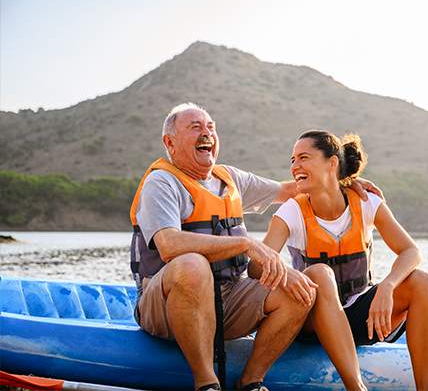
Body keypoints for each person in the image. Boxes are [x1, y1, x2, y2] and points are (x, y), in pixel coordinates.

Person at [129, 103, 381, 391]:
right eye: (195, 127)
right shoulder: (161, 182)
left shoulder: (231, 179)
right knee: (192, 265)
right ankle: (206, 383)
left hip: (227, 298)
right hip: (164, 304)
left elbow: (292, 190)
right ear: (169, 142)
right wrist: (246, 244)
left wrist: (339, 181)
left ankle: (250, 381)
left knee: (298, 290)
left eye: (210, 126)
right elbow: (169, 246)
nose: (206, 132)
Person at [260, 130, 428, 391]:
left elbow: (411, 252)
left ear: (332, 163)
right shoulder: (291, 211)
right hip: (310, 324)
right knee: (319, 273)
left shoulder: (366, 201)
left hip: (361, 319)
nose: (294, 166)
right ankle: (356, 387)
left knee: (422, 281)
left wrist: (387, 286)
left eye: (303, 157)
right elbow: (256, 267)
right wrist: (291, 277)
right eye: (292, 160)